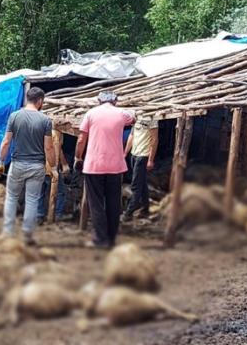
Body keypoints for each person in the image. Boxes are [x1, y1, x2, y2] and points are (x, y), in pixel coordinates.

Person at [0, 87, 57, 245]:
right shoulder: (45, 120)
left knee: (11, 198)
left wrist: (0, 163)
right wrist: (54, 167)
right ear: (40, 101)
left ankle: (8, 232)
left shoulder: (14, 116)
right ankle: (28, 235)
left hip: (17, 165)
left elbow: (6, 142)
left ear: (27, 99)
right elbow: (48, 147)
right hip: (37, 167)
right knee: (32, 200)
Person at [75, 91, 135, 248]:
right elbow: (133, 118)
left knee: (96, 204)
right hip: (115, 166)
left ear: (98, 101)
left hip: (94, 165)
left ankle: (101, 239)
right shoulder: (121, 113)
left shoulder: (91, 114)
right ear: (115, 101)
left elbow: (81, 139)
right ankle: (111, 238)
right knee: (113, 203)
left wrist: (78, 157)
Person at [122, 118, 159, 221]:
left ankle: (129, 212)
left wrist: (151, 159)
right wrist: (125, 152)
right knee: (141, 182)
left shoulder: (153, 118)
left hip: (143, 155)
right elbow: (132, 135)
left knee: (136, 184)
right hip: (134, 154)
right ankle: (145, 208)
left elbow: (154, 139)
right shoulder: (137, 115)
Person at [36, 129, 70, 224]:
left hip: (38, 167)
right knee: (61, 192)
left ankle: (39, 215)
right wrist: (64, 164)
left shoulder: (39, 131)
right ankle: (57, 214)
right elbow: (57, 149)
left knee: (40, 192)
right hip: (50, 168)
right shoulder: (55, 133)